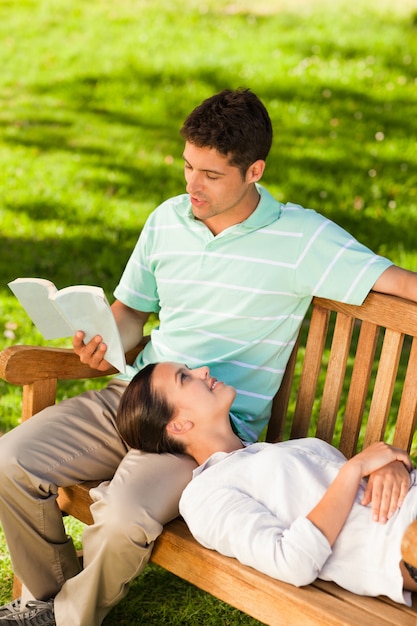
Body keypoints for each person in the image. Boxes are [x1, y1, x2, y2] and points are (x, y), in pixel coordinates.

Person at [1, 87, 417, 626]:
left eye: (212, 175)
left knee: (125, 515)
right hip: (134, 391)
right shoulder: (167, 220)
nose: (193, 186)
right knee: (11, 460)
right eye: (187, 167)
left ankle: (67, 619)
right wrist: (105, 341)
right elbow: (129, 317)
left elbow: (402, 283)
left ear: (254, 171)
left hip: (204, 437)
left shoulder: (302, 238)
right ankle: (47, 599)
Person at [116, 361, 417, 606]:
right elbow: (292, 562)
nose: (202, 371)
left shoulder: (274, 450)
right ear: (178, 425)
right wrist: (355, 469)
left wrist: (389, 466)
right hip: (401, 540)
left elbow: (358, 485)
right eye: (185, 378)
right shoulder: (204, 495)